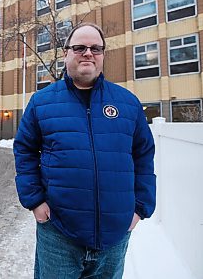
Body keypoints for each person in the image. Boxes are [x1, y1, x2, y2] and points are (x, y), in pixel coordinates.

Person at [13, 23, 156, 278]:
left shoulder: (127, 103)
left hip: (114, 235)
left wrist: (141, 207)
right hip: (59, 234)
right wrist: (34, 200)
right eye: (79, 47)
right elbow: (24, 150)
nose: (88, 53)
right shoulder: (41, 102)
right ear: (66, 53)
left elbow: (143, 155)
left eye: (95, 48)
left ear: (102, 55)